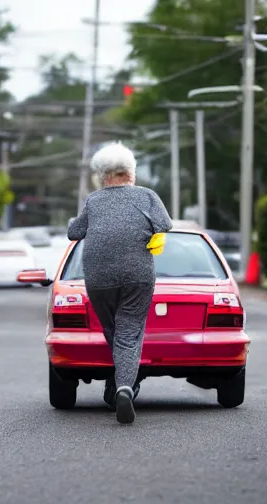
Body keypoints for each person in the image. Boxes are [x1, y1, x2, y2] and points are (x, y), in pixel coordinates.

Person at [67, 142, 173, 424]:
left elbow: (74, 232)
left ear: (103, 176)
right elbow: (166, 225)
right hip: (137, 274)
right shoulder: (147, 196)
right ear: (131, 173)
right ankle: (125, 386)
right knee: (128, 332)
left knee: (115, 330)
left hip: (98, 277)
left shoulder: (93, 201)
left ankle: (118, 385)